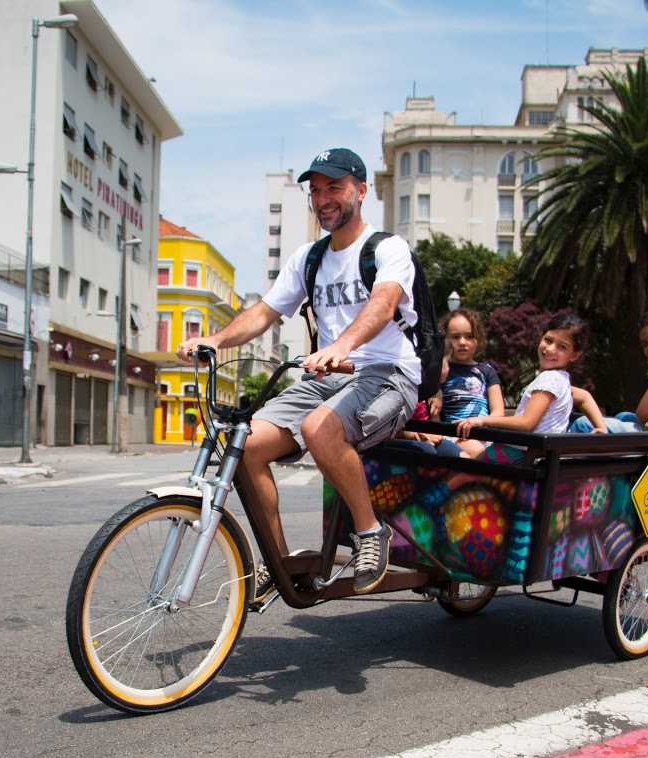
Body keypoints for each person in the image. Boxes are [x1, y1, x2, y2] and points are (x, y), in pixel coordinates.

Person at [175, 147, 419, 594]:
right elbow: (264, 312)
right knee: (244, 444)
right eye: (316, 190)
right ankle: (278, 562)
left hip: (387, 375)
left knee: (320, 429)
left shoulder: (387, 248)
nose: (324, 198)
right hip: (329, 379)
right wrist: (214, 340)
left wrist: (342, 344)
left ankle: (371, 533)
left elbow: (383, 304)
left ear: (361, 191)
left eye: (335, 187)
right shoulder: (308, 258)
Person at [455, 312, 607, 463]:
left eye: (562, 347)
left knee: (456, 459)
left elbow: (527, 423)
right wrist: (601, 428)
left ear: (574, 355)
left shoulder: (549, 379)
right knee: (467, 450)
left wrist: (482, 420)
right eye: (548, 340)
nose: (551, 349)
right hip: (536, 456)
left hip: (519, 454)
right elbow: (585, 396)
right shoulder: (561, 380)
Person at [433, 308, 504, 456]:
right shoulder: (442, 370)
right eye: (455, 337)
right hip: (455, 435)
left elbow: (498, 412)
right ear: (444, 339)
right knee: (481, 455)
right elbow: (433, 411)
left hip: (484, 432)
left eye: (469, 336)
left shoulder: (487, 371)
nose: (462, 342)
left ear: (478, 339)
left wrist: (480, 421)